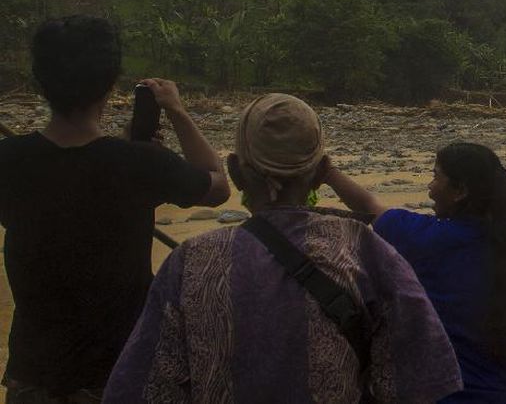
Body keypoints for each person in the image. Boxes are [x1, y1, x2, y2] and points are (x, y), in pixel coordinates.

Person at [104, 94, 461, 402]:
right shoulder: (367, 252)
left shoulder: (188, 262)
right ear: (322, 172)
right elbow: (419, 383)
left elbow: (143, 388)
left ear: (237, 173)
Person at [0, 15, 230, 402]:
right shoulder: (138, 165)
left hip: (33, 377)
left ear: (41, 83)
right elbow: (217, 183)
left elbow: (67, 186)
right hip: (121, 373)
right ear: (110, 85)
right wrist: (176, 110)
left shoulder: (8, 161)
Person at [326, 141, 506, 403]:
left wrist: (327, 173)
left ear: (460, 191)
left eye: (436, 177)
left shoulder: (424, 239)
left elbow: (366, 204)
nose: (430, 189)